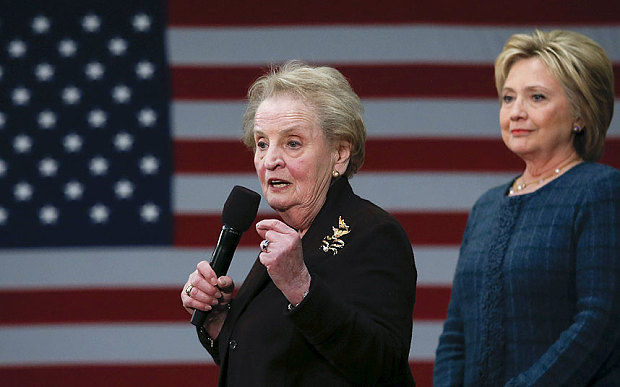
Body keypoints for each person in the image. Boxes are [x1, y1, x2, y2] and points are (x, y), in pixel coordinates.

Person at [181, 61, 417, 386]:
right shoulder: (289, 238)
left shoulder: (374, 233)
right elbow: (270, 363)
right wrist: (219, 321)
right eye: (262, 143)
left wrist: (300, 288)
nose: (270, 160)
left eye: (292, 143)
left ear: (339, 154)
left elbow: (382, 363)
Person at [434, 30, 620, 386]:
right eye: (507, 98)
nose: (516, 112)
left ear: (580, 113)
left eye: (536, 97)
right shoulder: (486, 206)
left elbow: (601, 321)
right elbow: (457, 330)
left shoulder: (601, 190)